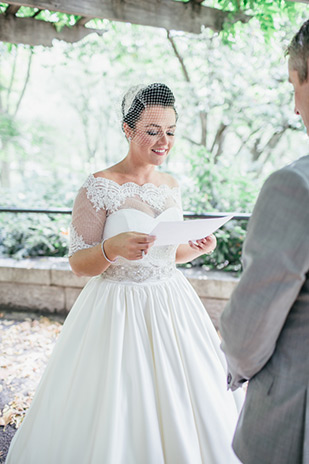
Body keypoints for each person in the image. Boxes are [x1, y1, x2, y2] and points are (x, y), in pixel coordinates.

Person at [6, 83, 243, 464]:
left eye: (170, 131)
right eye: (153, 131)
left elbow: (169, 252)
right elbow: (78, 263)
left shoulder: (171, 186)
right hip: (116, 308)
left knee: (186, 395)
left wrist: (198, 246)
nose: (164, 140)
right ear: (127, 130)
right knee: (119, 401)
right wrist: (110, 249)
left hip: (172, 303)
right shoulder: (99, 187)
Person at [220, 22, 309, 464]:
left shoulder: (295, 185)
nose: (295, 108)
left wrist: (235, 367)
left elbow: (248, 332)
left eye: (295, 86)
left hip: (296, 418)